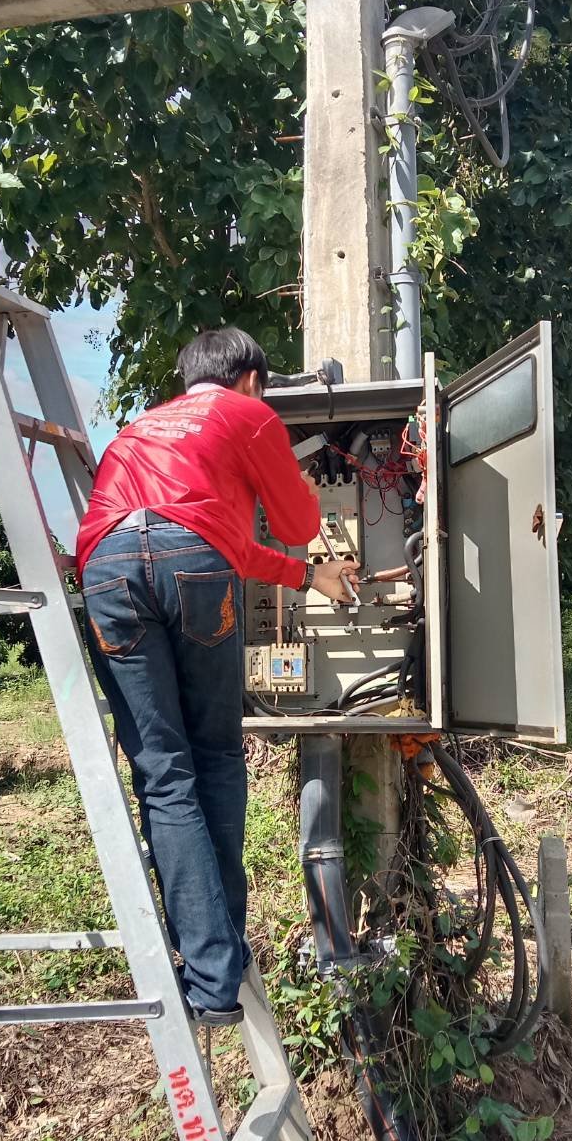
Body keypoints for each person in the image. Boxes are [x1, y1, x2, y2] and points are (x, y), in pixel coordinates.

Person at [76, 327, 358, 1025]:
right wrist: (297, 511)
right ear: (252, 379)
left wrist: (307, 577)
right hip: (192, 570)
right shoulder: (246, 413)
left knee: (163, 775)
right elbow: (291, 521)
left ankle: (204, 975)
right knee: (218, 757)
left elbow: (197, 538)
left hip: (105, 570)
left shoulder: (139, 429)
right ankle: (222, 956)